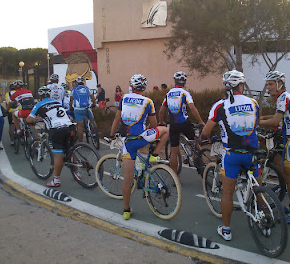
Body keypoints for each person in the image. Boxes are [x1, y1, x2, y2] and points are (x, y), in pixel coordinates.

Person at [201, 70, 259, 241]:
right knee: (258, 188)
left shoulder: (219, 106)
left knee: (227, 192)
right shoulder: (254, 102)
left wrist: (201, 139)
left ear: (226, 86)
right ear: (241, 85)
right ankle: (264, 221)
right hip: (253, 153)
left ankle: (226, 230)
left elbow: (206, 131)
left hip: (231, 154)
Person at [110, 74, 169, 220]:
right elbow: (154, 125)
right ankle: (154, 154)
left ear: (132, 85)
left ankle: (126, 210)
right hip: (143, 138)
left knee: (128, 179)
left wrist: (111, 134)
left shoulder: (123, 98)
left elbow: (117, 118)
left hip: (128, 143)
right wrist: (149, 128)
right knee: (166, 130)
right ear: (144, 87)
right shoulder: (148, 101)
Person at [259, 71, 290, 224]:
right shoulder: (283, 98)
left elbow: (275, 121)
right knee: (288, 174)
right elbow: (274, 117)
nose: (268, 87)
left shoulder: (283, 97)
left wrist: (254, 123)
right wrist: (260, 118)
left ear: (280, 83)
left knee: (289, 177)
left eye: (271, 84)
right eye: (267, 84)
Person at [26, 86, 74, 187]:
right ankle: (77, 174)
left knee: (58, 155)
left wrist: (35, 120)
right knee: (70, 150)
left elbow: (29, 119)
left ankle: (56, 181)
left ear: (39, 96)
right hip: (69, 126)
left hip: (56, 129)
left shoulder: (39, 104)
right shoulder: (57, 102)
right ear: (49, 95)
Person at [158, 71, 205, 174]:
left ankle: (175, 177)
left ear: (174, 81)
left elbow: (161, 110)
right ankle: (203, 165)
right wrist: (201, 121)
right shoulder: (185, 93)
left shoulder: (168, 94)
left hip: (173, 125)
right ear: (185, 83)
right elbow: (192, 107)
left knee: (174, 151)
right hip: (184, 123)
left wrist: (161, 121)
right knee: (195, 143)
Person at [70, 77, 97, 142]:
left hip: (78, 109)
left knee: (80, 126)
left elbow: (71, 100)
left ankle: (81, 142)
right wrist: (94, 104)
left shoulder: (74, 89)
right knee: (93, 121)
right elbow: (93, 98)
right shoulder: (87, 88)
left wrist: (71, 107)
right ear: (83, 82)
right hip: (87, 108)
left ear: (77, 82)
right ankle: (94, 134)